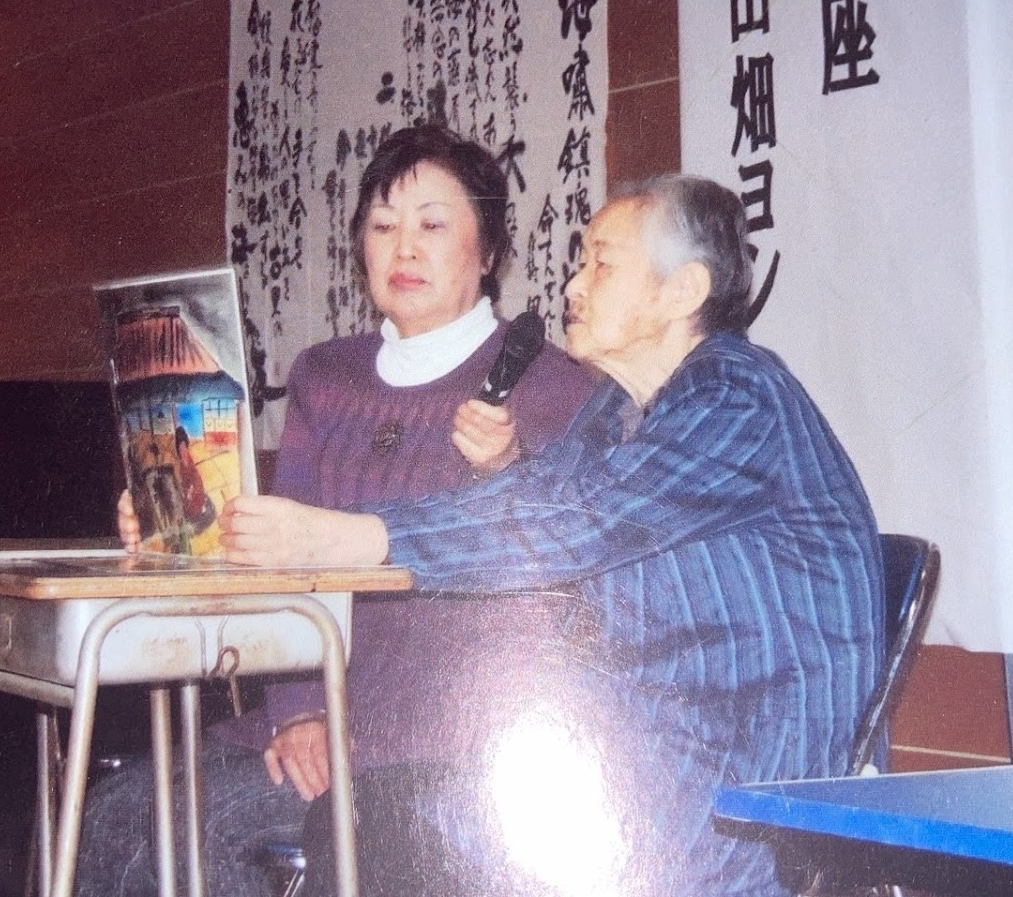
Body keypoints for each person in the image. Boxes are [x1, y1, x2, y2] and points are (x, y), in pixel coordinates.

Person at [218, 174, 885, 896]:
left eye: (602, 264)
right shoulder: (617, 410)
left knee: (385, 832)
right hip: (635, 764)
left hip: (739, 801)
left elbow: (579, 521)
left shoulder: (737, 395)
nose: (573, 285)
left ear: (682, 291)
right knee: (363, 818)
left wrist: (351, 539)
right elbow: (533, 499)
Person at [74, 125, 596, 896]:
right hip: (312, 708)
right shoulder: (327, 375)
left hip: (453, 743)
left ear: (488, 250)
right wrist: (174, 530)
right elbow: (285, 565)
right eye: (382, 227)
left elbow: (566, 567)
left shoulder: (550, 384)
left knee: (195, 841)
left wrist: (511, 466)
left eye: (431, 224)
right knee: (114, 815)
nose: (403, 248)